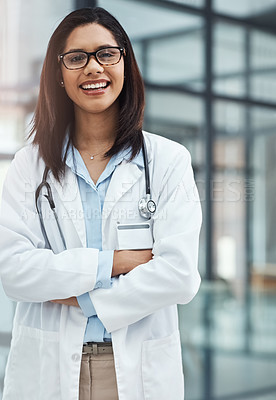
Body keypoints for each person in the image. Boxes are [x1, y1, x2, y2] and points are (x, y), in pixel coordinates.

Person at [0, 7, 202, 400]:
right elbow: (12, 271)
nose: (93, 68)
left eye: (106, 54)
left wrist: (81, 296)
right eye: (76, 57)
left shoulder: (167, 160)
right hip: (49, 366)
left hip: (134, 368)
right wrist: (115, 262)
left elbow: (179, 274)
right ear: (59, 74)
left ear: (125, 63)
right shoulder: (29, 165)